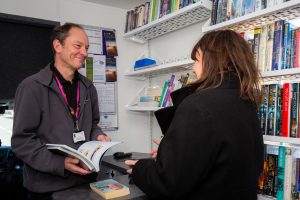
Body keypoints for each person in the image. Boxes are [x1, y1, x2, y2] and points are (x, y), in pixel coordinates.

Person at [125, 30, 264, 200]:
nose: (193, 68)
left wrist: (140, 167)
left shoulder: (198, 105)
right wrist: (174, 150)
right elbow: (224, 155)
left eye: (196, 60)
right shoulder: (247, 102)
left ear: (212, 61)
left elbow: (168, 182)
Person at [11, 22, 110, 200]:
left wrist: (98, 136)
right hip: (47, 189)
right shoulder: (31, 87)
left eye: (86, 47)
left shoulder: (88, 88)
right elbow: (22, 141)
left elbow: (93, 124)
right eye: (78, 46)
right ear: (58, 45)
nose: (84, 53)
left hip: (86, 183)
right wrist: (60, 163)